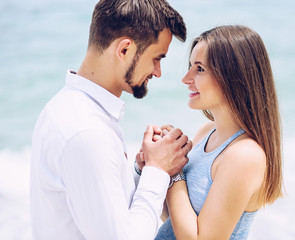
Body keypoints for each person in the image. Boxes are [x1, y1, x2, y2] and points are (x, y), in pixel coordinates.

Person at [30, 0, 192, 239]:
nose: (158, 71)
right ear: (124, 49)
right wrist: (158, 171)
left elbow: (108, 218)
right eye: (157, 58)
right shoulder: (86, 131)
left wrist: (142, 171)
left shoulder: (69, 109)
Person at [155, 25, 283, 240]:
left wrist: (175, 171)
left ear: (233, 76)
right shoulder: (207, 131)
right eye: (190, 67)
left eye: (199, 69)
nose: (186, 78)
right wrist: (154, 167)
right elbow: (174, 218)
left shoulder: (245, 155)